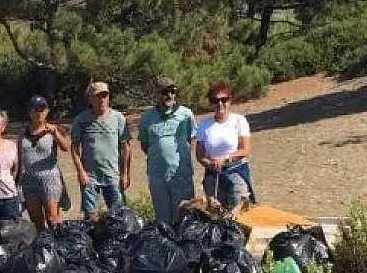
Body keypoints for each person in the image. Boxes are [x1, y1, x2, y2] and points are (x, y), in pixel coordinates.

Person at [138, 76, 196, 225]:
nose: (169, 95)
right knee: (163, 221)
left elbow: (192, 139)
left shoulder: (186, 114)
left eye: (172, 91)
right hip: (158, 178)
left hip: (181, 176)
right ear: (157, 94)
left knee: (184, 219)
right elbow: (145, 145)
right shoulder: (147, 118)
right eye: (164, 92)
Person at [70, 81, 132, 221]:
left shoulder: (118, 118)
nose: (102, 99)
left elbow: (125, 147)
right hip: (90, 177)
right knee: (91, 217)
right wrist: (81, 172)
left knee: (118, 216)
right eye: (98, 96)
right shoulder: (81, 120)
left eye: (105, 95)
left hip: (113, 175)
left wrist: (125, 173)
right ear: (90, 98)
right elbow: (74, 148)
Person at [196, 82, 256, 211]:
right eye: (215, 100)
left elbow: (245, 150)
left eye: (224, 100)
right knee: (215, 216)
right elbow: (200, 155)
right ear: (210, 103)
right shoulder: (204, 125)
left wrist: (225, 158)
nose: (220, 104)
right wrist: (210, 163)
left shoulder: (239, 121)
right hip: (213, 176)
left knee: (240, 214)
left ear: (230, 101)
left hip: (236, 173)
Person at [20, 95, 70, 230]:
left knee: (53, 219)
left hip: (50, 178)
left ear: (47, 111)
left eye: (42, 108)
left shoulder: (53, 129)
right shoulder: (23, 131)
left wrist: (56, 134)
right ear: (29, 112)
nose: (38, 112)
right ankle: (42, 246)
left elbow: (66, 147)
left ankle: (56, 245)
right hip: (29, 179)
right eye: (34, 109)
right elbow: (20, 156)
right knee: (36, 220)